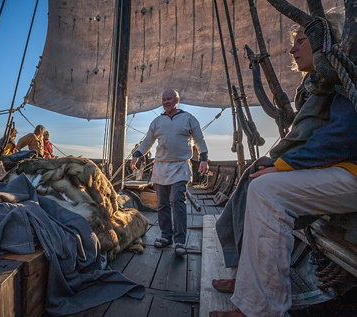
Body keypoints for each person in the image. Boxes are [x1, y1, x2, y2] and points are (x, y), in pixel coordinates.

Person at [209, 8, 357, 317]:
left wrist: (285, 165)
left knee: (265, 190)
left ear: (323, 39)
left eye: (301, 39)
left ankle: (261, 308)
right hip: (338, 169)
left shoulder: (345, 72)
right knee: (256, 179)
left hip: (350, 171)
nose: (292, 48)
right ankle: (246, 284)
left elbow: (344, 135)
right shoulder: (317, 85)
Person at [130, 89, 209, 256]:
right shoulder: (157, 121)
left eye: (169, 99)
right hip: (160, 168)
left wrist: (203, 159)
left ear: (177, 100)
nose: (165, 102)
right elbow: (147, 142)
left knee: (178, 201)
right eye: (163, 99)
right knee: (162, 204)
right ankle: (166, 236)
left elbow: (199, 140)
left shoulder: (188, 118)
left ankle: (180, 241)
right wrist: (136, 156)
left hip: (180, 167)